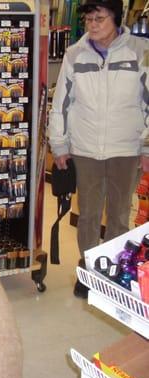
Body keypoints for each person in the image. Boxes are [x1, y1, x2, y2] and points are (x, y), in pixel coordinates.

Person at [48, 0, 149, 298]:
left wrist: (147, 147)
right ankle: (90, 269)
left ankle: (115, 271)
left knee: (118, 215)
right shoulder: (74, 54)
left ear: (115, 18)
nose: (92, 24)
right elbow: (60, 105)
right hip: (86, 149)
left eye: (99, 18)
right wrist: (60, 144)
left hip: (125, 149)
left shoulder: (140, 52)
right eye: (89, 19)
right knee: (89, 214)